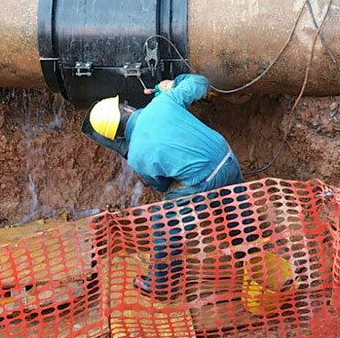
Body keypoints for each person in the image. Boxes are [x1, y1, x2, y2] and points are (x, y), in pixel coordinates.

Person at [81, 73, 243, 301]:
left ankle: (161, 286)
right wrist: (172, 85)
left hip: (201, 180)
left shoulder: (136, 155)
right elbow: (200, 83)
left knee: (164, 222)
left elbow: (161, 185)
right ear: (127, 109)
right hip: (226, 158)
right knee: (237, 210)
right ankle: (249, 250)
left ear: (116, 135)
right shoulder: (163, 102)